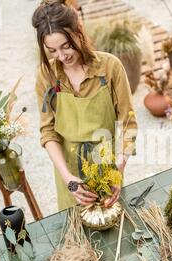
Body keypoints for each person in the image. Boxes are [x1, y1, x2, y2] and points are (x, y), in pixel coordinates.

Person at [32, 0, 137, 211]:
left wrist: (119, 167)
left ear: (79, 32)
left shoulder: (110, 67)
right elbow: (48, 131)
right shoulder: (47, 74)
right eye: (52, 51)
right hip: (68, 167)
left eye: (66, 46)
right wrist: (68, 179)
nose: (61, 56)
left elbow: (128, 123)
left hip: (108, 163)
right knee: (76, 230)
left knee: (112, 222)